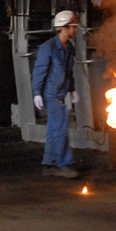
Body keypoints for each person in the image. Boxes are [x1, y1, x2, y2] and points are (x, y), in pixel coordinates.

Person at [32, 10, 82, 179]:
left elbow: (68, 71)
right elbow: (39, 71)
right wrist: (37, 93)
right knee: (60, 129)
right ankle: (62, 164)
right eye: (73, 26)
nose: (75, 29)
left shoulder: (69, 47)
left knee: (54, 129)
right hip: (51, 94)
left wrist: (72, 89)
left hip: (60, 92)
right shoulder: (48, 48)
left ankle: (49, 165)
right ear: (63, 27)